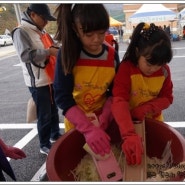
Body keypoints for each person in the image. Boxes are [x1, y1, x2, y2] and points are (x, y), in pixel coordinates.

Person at [53, 4, 120, 157]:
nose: (97, 40)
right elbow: (63, 98)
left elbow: (115, 91)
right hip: (78, 121)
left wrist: (105, 117)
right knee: (79, 158)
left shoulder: (111, 55)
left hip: (104, 118)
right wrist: (88, 129)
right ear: (75, 29)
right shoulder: (68, 54)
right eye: (89, 35)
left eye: (102, 33)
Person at [111, 22, 173, 166]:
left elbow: (167, 98)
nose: (153, 69)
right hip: (128, 122)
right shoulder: (127, 68)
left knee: (152, 155)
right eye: (149, 64)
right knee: (127, 156)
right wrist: (128, 134)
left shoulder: (164, 71)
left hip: (154, 120)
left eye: (159, 64)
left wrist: (145, 109)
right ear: (138, 51)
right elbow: (119, 100)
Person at [12, 4, 61, 155]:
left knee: (53, 111)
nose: (46, 22)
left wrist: (58, 48)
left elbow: (53, 46)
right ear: (33, 15)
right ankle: (44, 144)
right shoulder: (21, 31)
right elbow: (25, 55)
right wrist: (48, 52)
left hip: (50, 78)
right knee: (44, 114)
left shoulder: (41, 31)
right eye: (44, 18)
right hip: (38, 82)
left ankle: (55, 135)